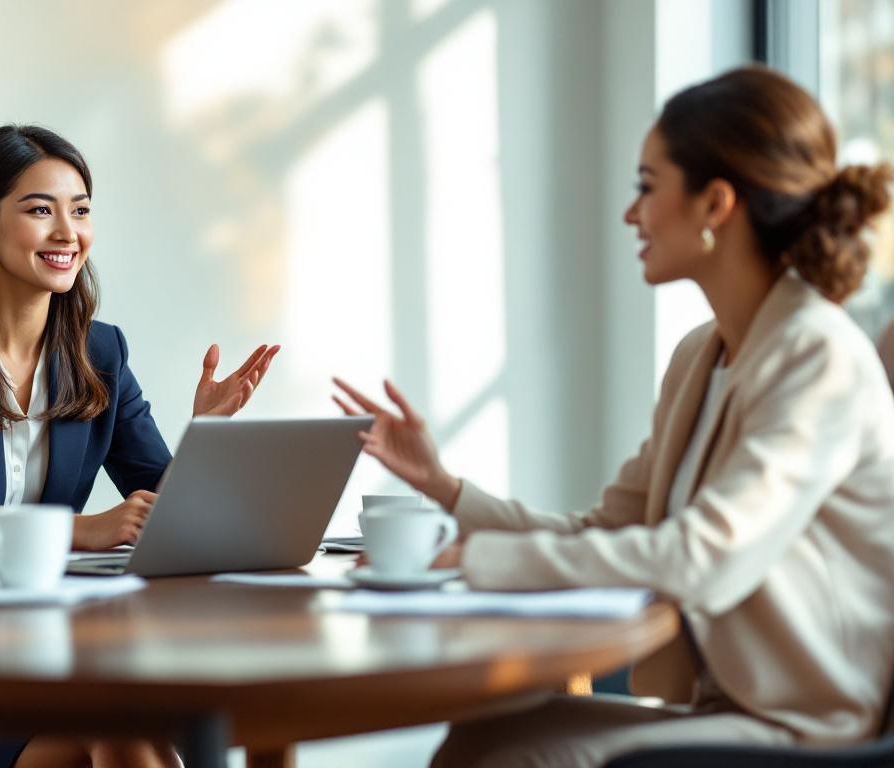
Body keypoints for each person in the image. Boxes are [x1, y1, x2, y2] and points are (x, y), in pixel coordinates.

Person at [334, 65, 894, 767]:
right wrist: (445, 488)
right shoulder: (703, 357)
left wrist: (476, 561)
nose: (631, 214)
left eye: (647, 187)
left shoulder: (817, 357)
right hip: (716, 706)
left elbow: (703, 559)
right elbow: (609, 532)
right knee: (482, 737)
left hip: (808, 731)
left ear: (715, 204)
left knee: (511, 757)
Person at [0, 124, 278, 550]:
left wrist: (205, 438)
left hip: (55, 602)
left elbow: (162, 512)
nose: (68, 233)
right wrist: (80, 530)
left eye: (81, 211)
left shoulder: (101, 354)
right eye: (40, 211)